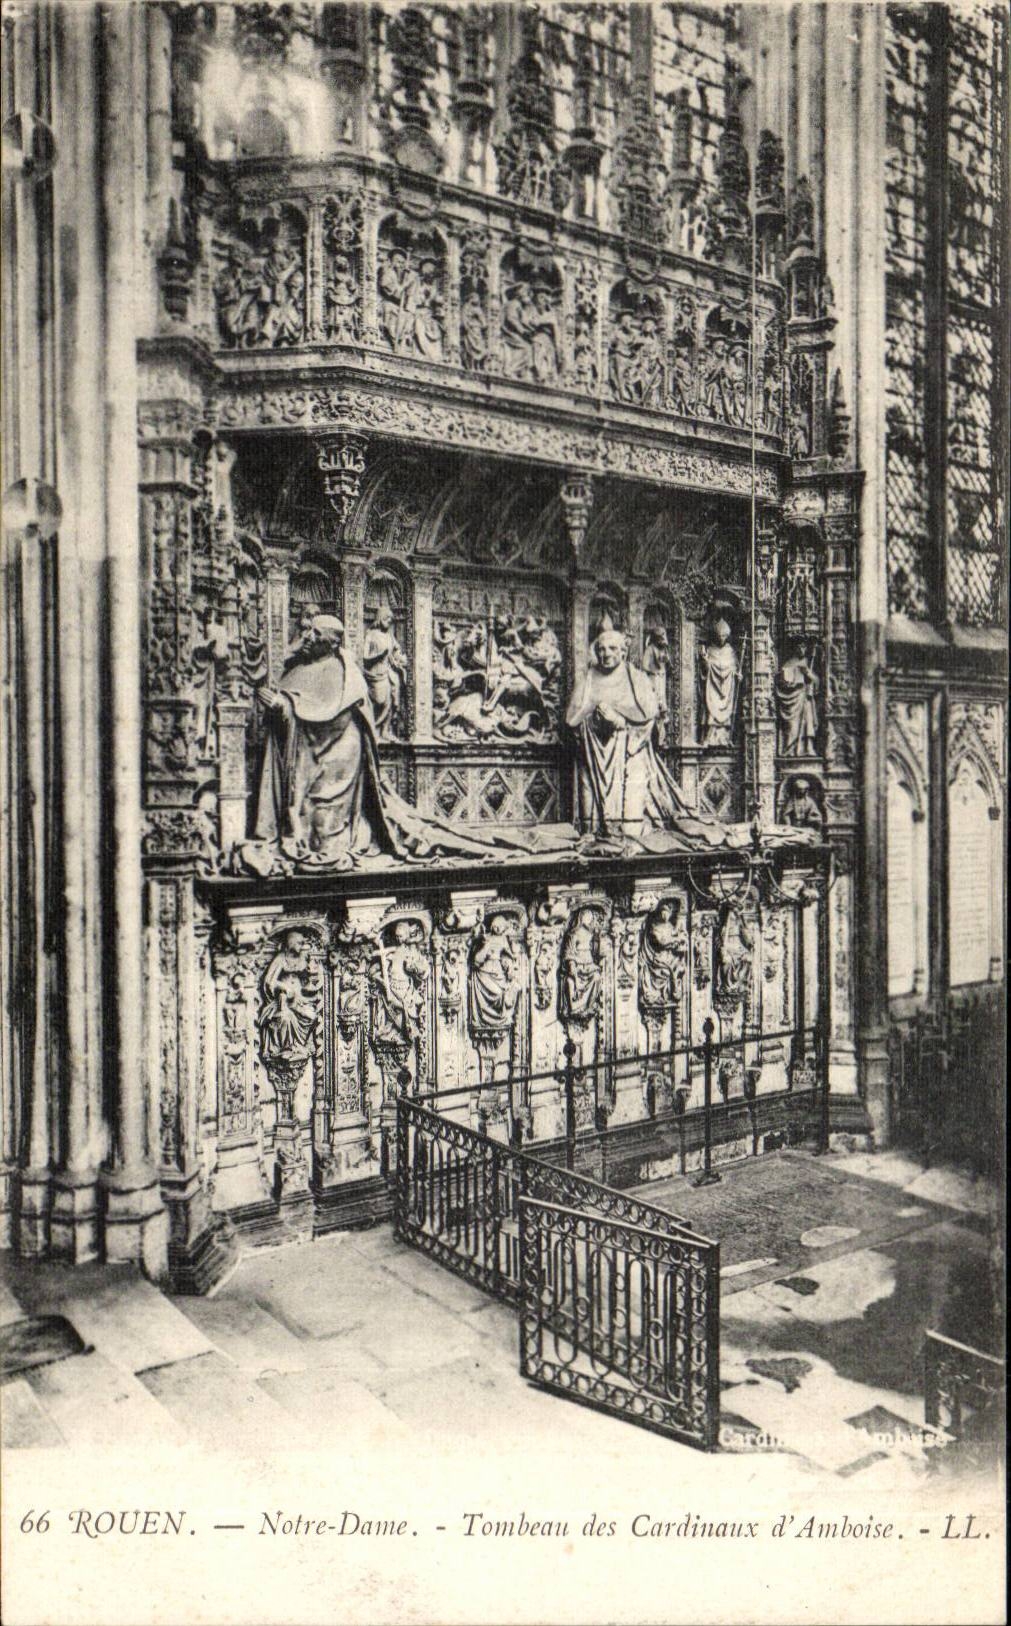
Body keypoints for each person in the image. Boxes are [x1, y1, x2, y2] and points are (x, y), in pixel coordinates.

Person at [566, 620, 720, 843]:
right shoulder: (588, 680)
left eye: (611, 648)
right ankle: (593, 830)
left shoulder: (637, 679)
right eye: (601, 649)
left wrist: (620, 723)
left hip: (630, 753)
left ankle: (629, 828)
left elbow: (649, 718)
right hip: (593, 757)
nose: (606, 653)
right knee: (587, 797)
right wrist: (595, 722)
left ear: (623, 652)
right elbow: (572, 722)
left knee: (631, 825)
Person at [362, 606, 407, 739]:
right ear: (380, 618)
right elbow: (365, 657)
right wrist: (379, 656)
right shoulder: (371, 634)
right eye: (387, 619)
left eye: (390, 620)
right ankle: (372, 729)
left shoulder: (389, 636)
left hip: (388, 672)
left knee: (391, 700)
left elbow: (396, 651)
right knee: (380, 700)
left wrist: (401, 658)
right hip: (374, 673)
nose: (389, 622)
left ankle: (385, 730)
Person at [698, 616, 741, 746]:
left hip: (727, 688)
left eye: (724, 636)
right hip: (713, 686)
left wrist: (737, 675)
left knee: (727, 715)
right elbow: (705, 670)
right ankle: (709, 737)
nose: (721, 638)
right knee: (711, 712)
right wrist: (706, 661)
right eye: (719, 636)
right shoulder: (710, 650)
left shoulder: (731, 651)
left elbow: (735, 667)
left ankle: (725, 738)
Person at [775, 642, 819, 756]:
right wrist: (788, 683)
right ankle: (790, 749)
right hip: (792, 698)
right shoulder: (788, 663)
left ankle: (808, 747)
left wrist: (808, 673)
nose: (802, 649)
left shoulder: (807, 662)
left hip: (804, 697)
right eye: (799, 646)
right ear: (795, 648)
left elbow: (816, 681)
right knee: (792, 725)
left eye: (804, 646)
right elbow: (781, 682)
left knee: (808, 721)